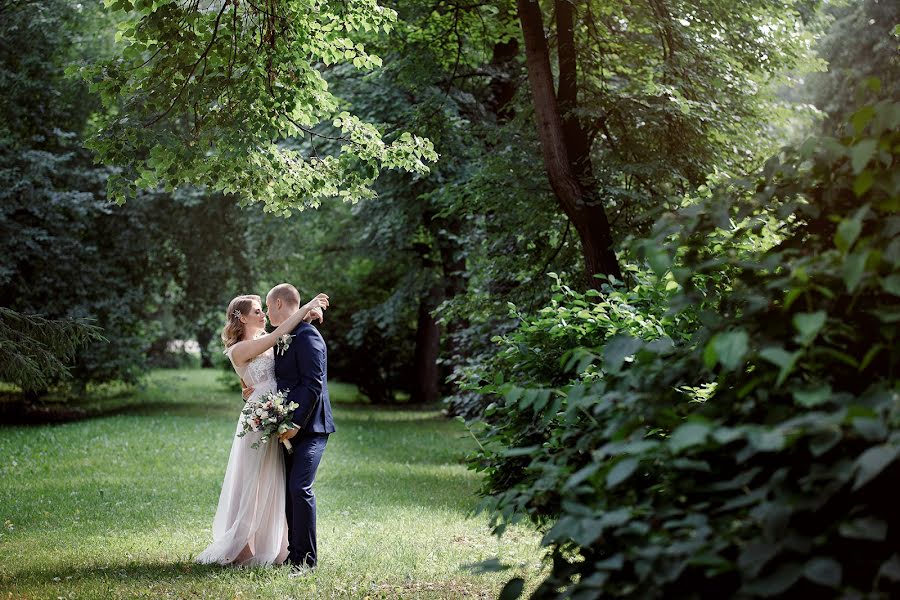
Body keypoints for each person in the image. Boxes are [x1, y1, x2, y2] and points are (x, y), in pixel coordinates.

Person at [195, 291, 329, 566]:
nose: (263, 314)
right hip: (260, 419)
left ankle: (280, 547)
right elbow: (276, 336)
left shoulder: (265, 342)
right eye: (257, 311)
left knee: (275, 481)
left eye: (263, 308)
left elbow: (287, 355)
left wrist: (307, 318)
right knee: (252, 482)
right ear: (241, 317)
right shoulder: (240, 348)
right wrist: (304, 309)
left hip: (274, 414)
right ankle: (242, 544)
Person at [266, 283, 336, 571]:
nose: (267, 312)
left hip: (312, 428)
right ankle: (293, 556)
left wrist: (295, 423)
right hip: (286, 427)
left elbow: (313, 384)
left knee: (300, 487)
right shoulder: (286, 336)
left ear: (280, 304)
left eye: (269, 306)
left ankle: (307, 561)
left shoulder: (308, 337)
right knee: (288, 490)